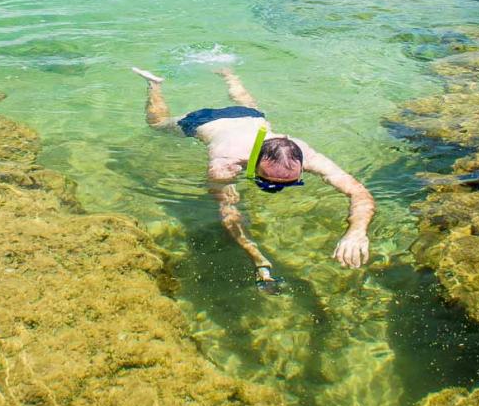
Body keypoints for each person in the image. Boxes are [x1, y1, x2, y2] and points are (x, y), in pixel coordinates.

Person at [132, 67, 376, 293]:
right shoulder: (225, 162)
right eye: (270, 182)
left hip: (248, 116)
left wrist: (357, 231)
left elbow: (358, 192)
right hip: (204, 120)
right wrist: (259, 260)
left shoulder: (304, 153)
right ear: (253, 164)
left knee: (251, 108)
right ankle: (154, 85)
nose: (278, 189)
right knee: (157, 124)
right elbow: (229, 215)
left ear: (299, 162)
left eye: (290, 182)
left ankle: (228, 74)